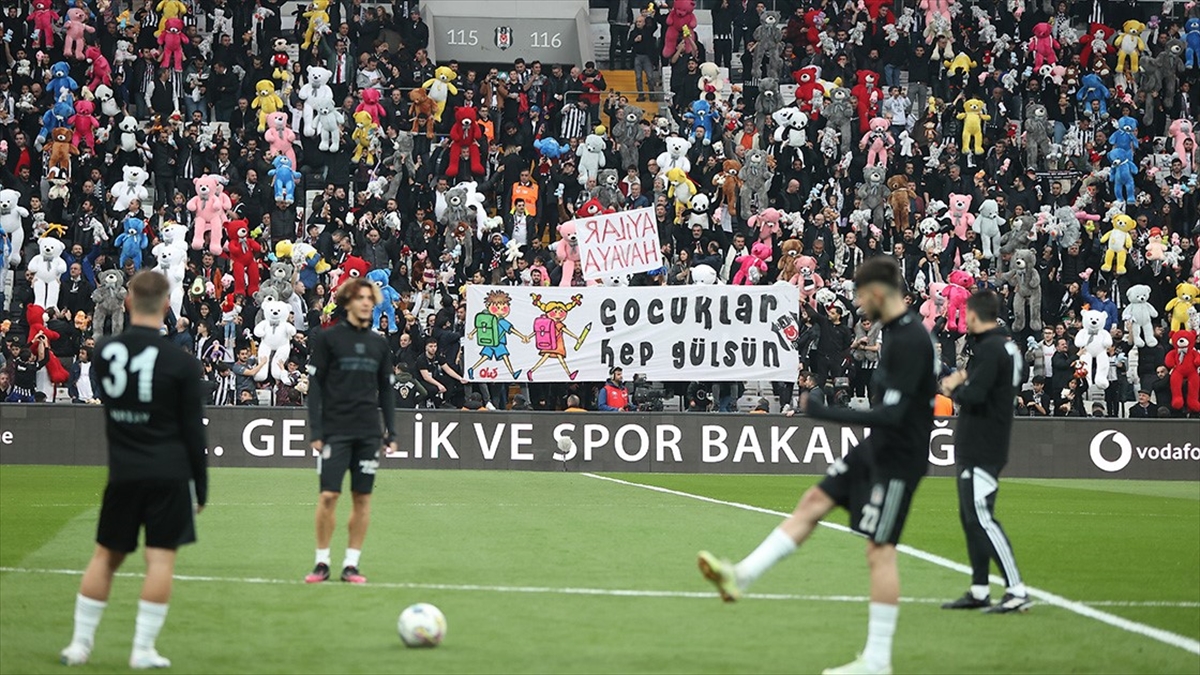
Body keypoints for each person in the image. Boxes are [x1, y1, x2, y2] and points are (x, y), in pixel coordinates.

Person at [697, 257, 936, 675]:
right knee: (813, 501)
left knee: (879, 552)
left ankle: (878, 661)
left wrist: (828, 413)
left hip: (900, 457)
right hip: (877, 446)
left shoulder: (913, 339)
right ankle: (742, 575)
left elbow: (895, 416)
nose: (860, 306)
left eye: (863, 297)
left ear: (879, 293)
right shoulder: (895, 333)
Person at [60, 271, 208, 669]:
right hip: (169, 472)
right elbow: (194, 432)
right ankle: (142, 650)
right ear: (165, 305)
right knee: (160, 561)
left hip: (124, 471)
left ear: (126, 302)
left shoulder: (105, 351)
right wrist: (202, 487)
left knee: (104, 557)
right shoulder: (181, 362)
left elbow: (108, 399)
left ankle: (79, 645)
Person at [938, 290, 1031, 614]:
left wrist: (953, 386)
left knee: (981, 515)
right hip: (983, 438)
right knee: (970, 518)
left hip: (983, 441)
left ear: (976, 316)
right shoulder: (1005, 346)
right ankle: (980, 589)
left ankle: (1017, 589)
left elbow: (976, 395)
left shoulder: (991, 348)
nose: (964, 320)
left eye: (966, 314)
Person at [304, 278, 399, 585]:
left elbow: (386, 391)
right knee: (329, 495)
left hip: (368, 432)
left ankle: (351, 565)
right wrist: (316, 430)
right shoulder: (328, 340)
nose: (367, 303)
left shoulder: (379, 343)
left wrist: (391, 432)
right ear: (347, 303)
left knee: (362, 498)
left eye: (370, 298)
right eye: (360, 298)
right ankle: (321, 562)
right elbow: (315, 387)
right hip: (335, 429)